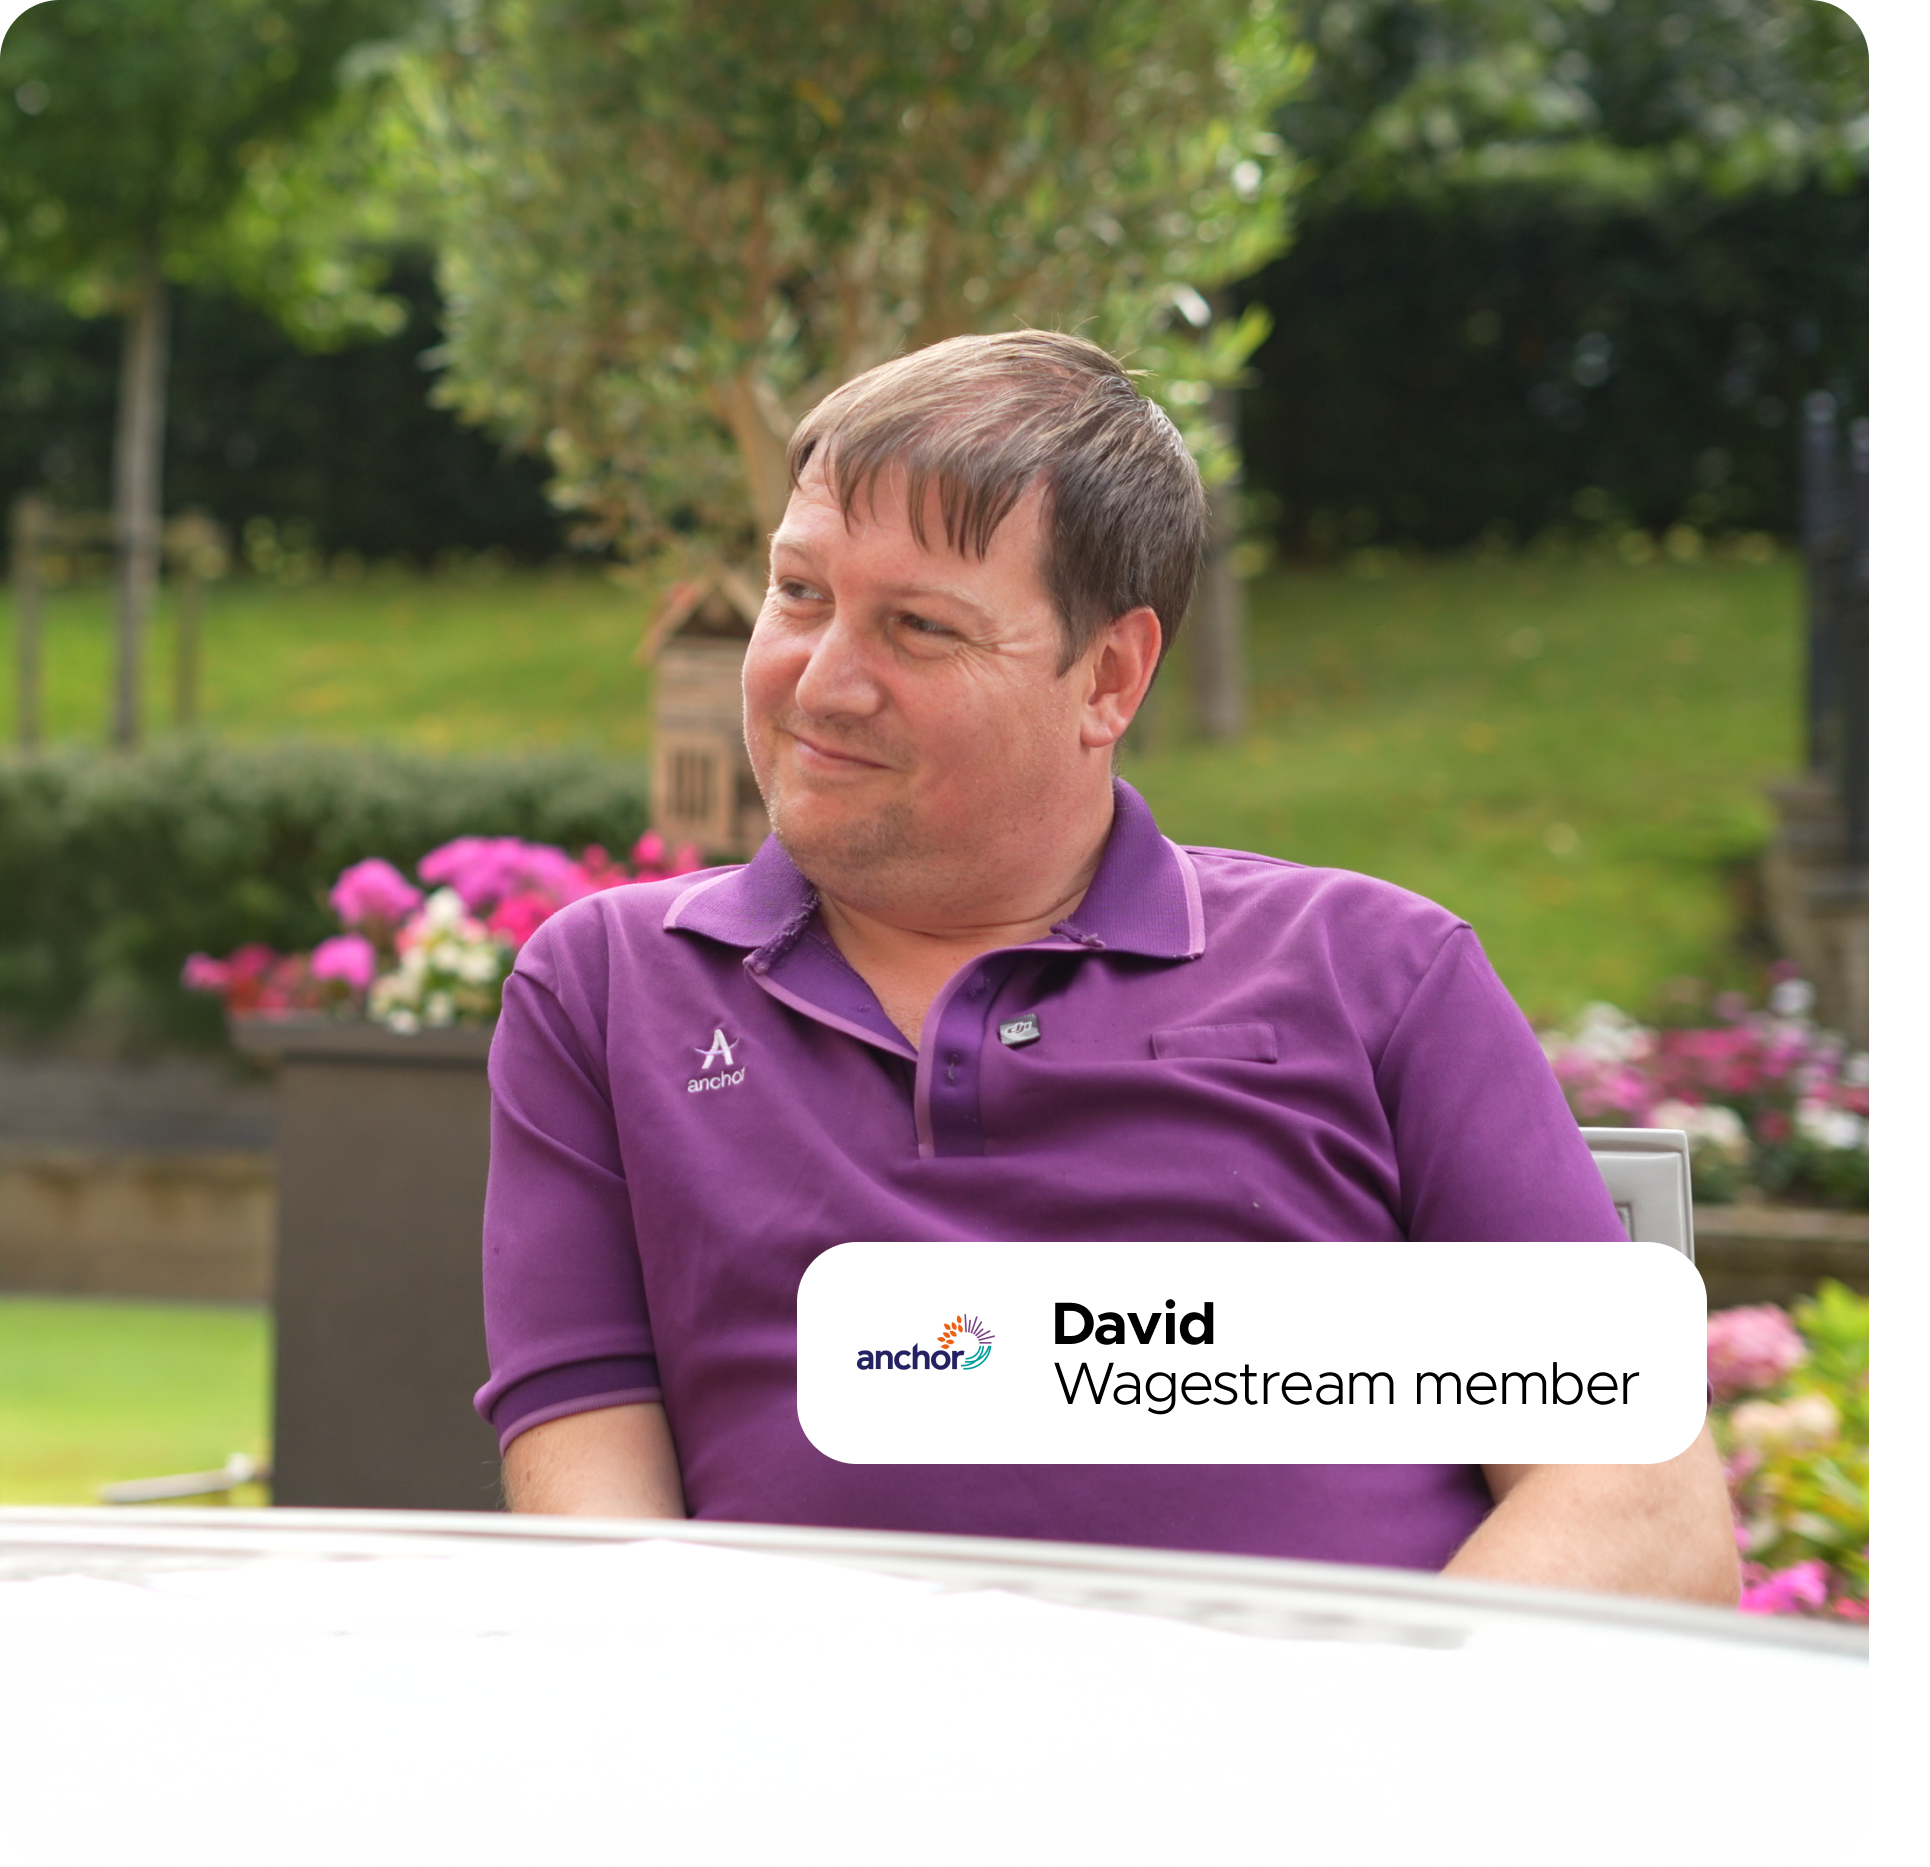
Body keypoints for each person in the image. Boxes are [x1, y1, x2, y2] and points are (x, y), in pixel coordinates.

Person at [476, 331, 1738, 1602]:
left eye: (916, 627)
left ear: (1111, 676)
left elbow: (1638, 1502)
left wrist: (1363, 1754)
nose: (825, 681)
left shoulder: (1375, 973)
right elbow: (598, 1522)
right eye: (799, 594)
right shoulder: (609, 988)